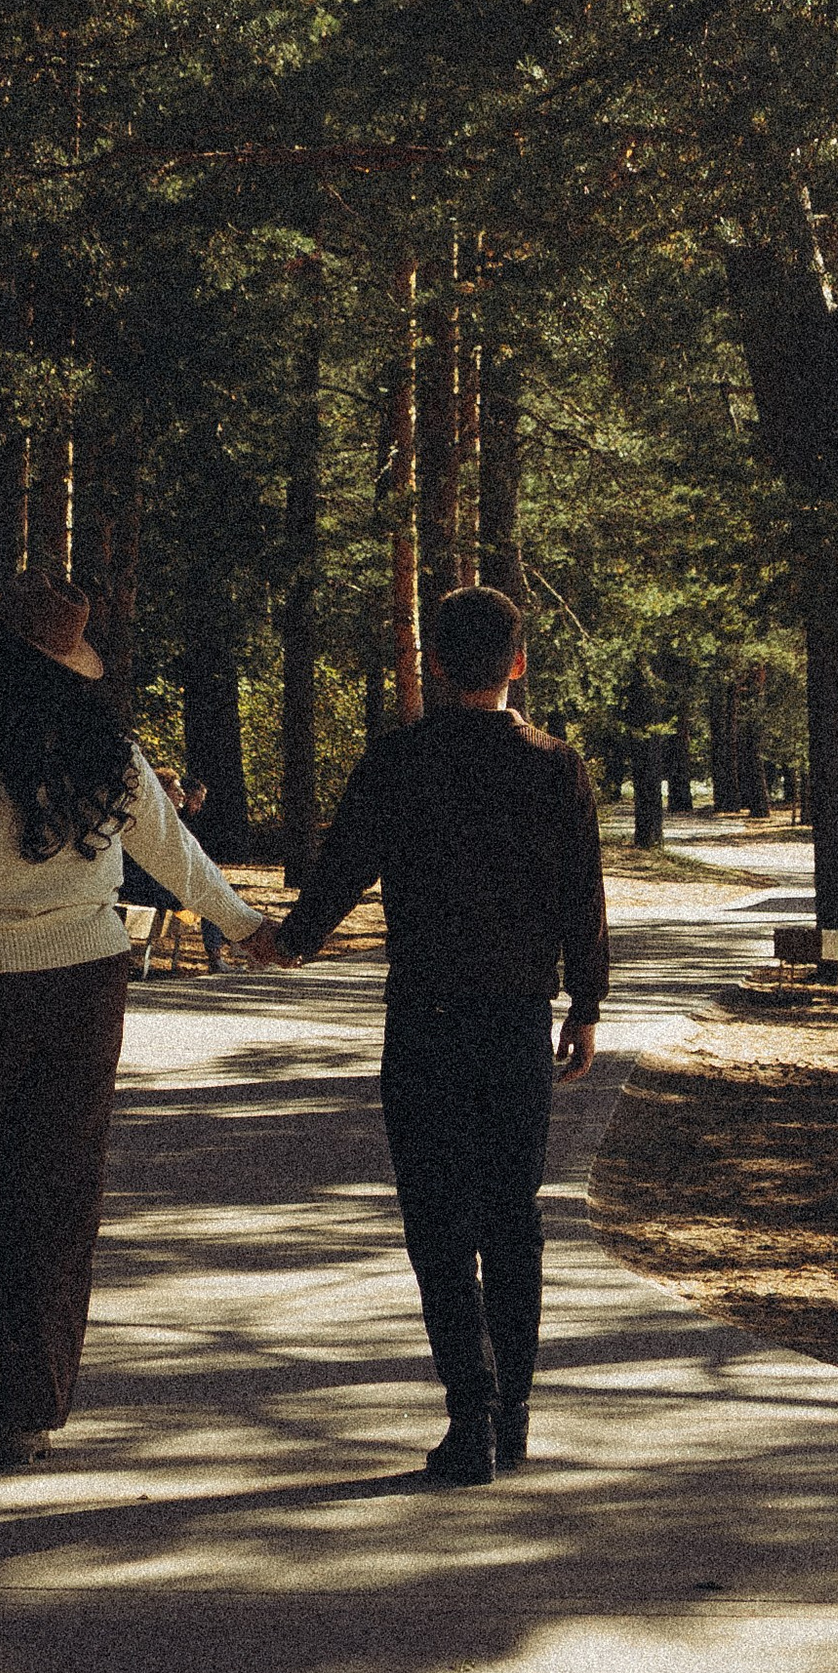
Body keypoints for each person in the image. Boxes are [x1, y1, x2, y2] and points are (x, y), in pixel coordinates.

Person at [0, 570, 268, 1467]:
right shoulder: (113, 758)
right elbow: (178, 862)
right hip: (86, 985)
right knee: (57, 1191)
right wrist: (248, 926)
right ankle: (27, 1410)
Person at [253, 581, 608, 1489]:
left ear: (435, 665)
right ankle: (515, 1409)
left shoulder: (398, 760)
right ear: (519, 663)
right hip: (519, 1017)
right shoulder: (556, 764)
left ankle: (471, 1410)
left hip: (426, 1018)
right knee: (512, 1213)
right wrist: (587, 1007)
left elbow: (342, 868)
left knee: (437, 1219)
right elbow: (584, 899)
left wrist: (292, 940)